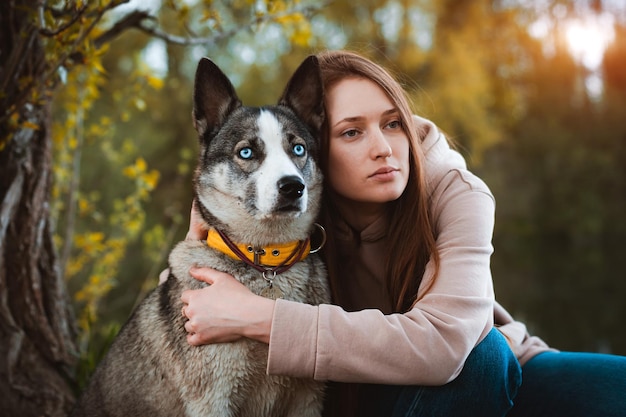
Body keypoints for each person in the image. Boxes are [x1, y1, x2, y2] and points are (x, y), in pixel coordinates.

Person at [177, 50, 626, 416]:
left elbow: (447, 343)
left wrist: (261, 319)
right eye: (352, 132)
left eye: (393, 123)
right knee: (481, 361)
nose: (383, 148)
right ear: (314, 144)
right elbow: (197, 289)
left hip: (487, 368)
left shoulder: (458, 192)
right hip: (366, 388)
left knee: (499, 358)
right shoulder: (291, 198)